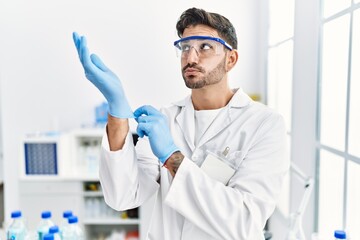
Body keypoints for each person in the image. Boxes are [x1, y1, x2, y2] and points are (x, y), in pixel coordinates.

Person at [73, 7, 289, 240]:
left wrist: (171, 156)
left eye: (205, 47)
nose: (191, 58)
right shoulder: (165, 119)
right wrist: (116, 111)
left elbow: (244, 223)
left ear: (231, 59)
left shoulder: (265, 125)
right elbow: (122, 196)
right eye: (185, 47)